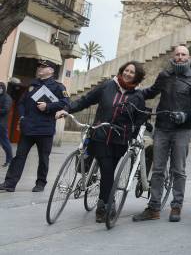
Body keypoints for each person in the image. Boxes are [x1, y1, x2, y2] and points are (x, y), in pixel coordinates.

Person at [56, 62, 148, 222]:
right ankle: (103, 205)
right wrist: (68, 109)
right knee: (106, 169)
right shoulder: (108, 86)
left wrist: (133, 135)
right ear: (121, 70)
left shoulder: (138, 96)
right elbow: (86, 100)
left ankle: (106, 200)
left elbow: (139, 118)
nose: (127, 73)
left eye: (132, 72)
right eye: (126, 70)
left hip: (119, 140)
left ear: (137, 76)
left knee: (109, 172)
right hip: (100, 135)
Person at [133, 45, 191, 223]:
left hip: (182, 130)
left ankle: (176, 206)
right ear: (173, 57)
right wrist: (130, 93)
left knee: (178, 170)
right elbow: (150, 92)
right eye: (177, 54)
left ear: (189, 58)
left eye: (183, 54)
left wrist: (186, 114)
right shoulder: (164, 75)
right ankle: (154, 208)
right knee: (157, 170)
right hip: (162, 128)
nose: (180, 57)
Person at [0, 60, 68, 193]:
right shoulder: (33, 85)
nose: (40, 68)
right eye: (39, 66)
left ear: (51, 70)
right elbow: (21, 103)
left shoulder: (58, 87)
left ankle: (40, 183)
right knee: (19, 156)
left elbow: (65, 103)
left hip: (45, 129)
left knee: (43, 158)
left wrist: (48, 106)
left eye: (44, 66)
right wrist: (23, 116)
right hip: (28, 128)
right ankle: (10, 183)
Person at [0, 82, 13, 167]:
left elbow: (6, 109)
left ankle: (9, 160)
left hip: (1, 125)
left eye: (0, 88)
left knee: (5, 143)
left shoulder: (7, 98)